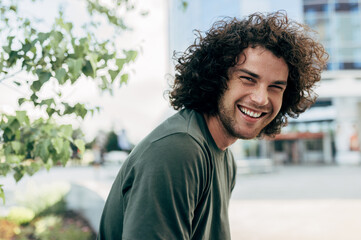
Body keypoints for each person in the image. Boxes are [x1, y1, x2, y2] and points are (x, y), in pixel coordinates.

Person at [97, 11, 328, 239]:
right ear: (217, 78)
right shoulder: (178, 150)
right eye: (248, 79)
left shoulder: (223, 156)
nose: (260, 98)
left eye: (276, 87)